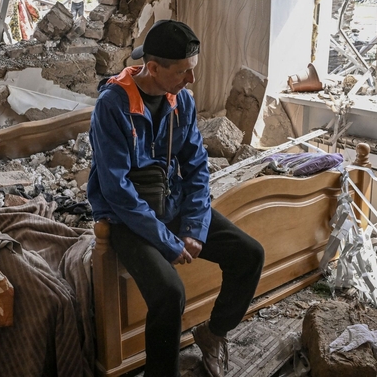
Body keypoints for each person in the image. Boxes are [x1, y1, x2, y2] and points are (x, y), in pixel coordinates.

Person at [87, 20, 265, 377]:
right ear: (153, 68)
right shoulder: (112, 106)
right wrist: (167, 242)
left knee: (249, 254)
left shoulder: (180, 100)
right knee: (170, 294)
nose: (191, 80)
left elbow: (197, 168)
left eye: (192, 69)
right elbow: (117, 190)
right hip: (126, 218)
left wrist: (194, 227)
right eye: (184, 72)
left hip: (170, 202)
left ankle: (213, 334)